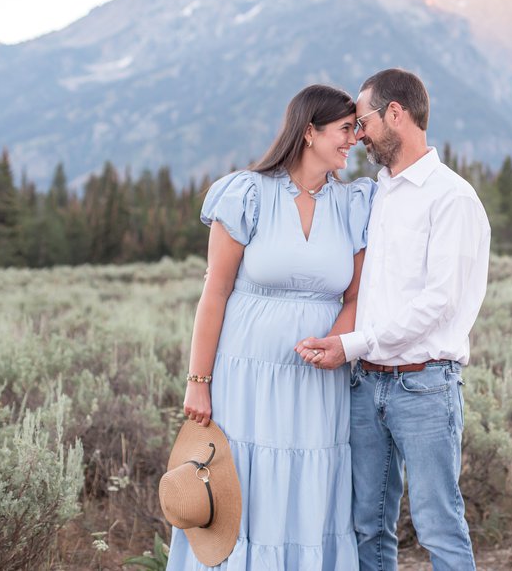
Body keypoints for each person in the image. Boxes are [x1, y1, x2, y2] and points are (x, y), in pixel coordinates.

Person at [168, 85, 374, 569]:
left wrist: (336, 343)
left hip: (319, 383)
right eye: (346, 129)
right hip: (247, 378)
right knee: (245, 485)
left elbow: (356, 296)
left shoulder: (353, 204)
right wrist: (198, 382)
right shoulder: (247, 194)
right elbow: (214, 293)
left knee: (309, 483)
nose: (355, 140)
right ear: (309, 132)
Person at [297, 68, 491, 570]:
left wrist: (353, 345)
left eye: (362, 121)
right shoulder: (377, 193)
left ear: (396, 115)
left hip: (424, 388)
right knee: (368, 524)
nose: (357, 135)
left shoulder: (452, 198)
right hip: (367, 386)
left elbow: (437, 305)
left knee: (439, 527)